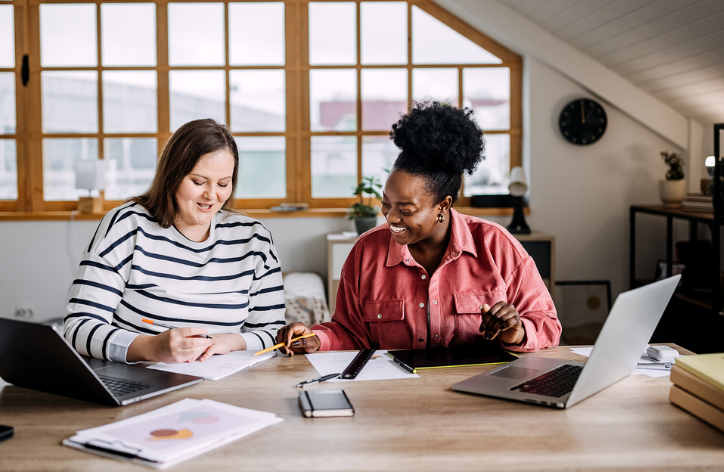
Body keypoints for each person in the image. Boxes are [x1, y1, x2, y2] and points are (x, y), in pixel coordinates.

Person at [277, 101, 560, 354]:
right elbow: (351, 333)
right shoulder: (366, 252)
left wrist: (518, 331)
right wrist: (317, 338)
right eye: (386, 203)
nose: (391, 217)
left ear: (443, 206)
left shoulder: (495, 245)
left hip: (480, 397)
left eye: (406, 209)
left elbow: (548, 326)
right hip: (396, 396)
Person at [64, 119, 286, 364]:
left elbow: (275, 335)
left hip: (225, 384)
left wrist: (230, 341)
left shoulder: (254, 240)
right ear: (172, 175)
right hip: (140, 380)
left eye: (223, 183)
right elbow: (78, 327)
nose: (211, 195)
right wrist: (149, 347)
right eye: (198, 182)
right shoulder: (127, 225)